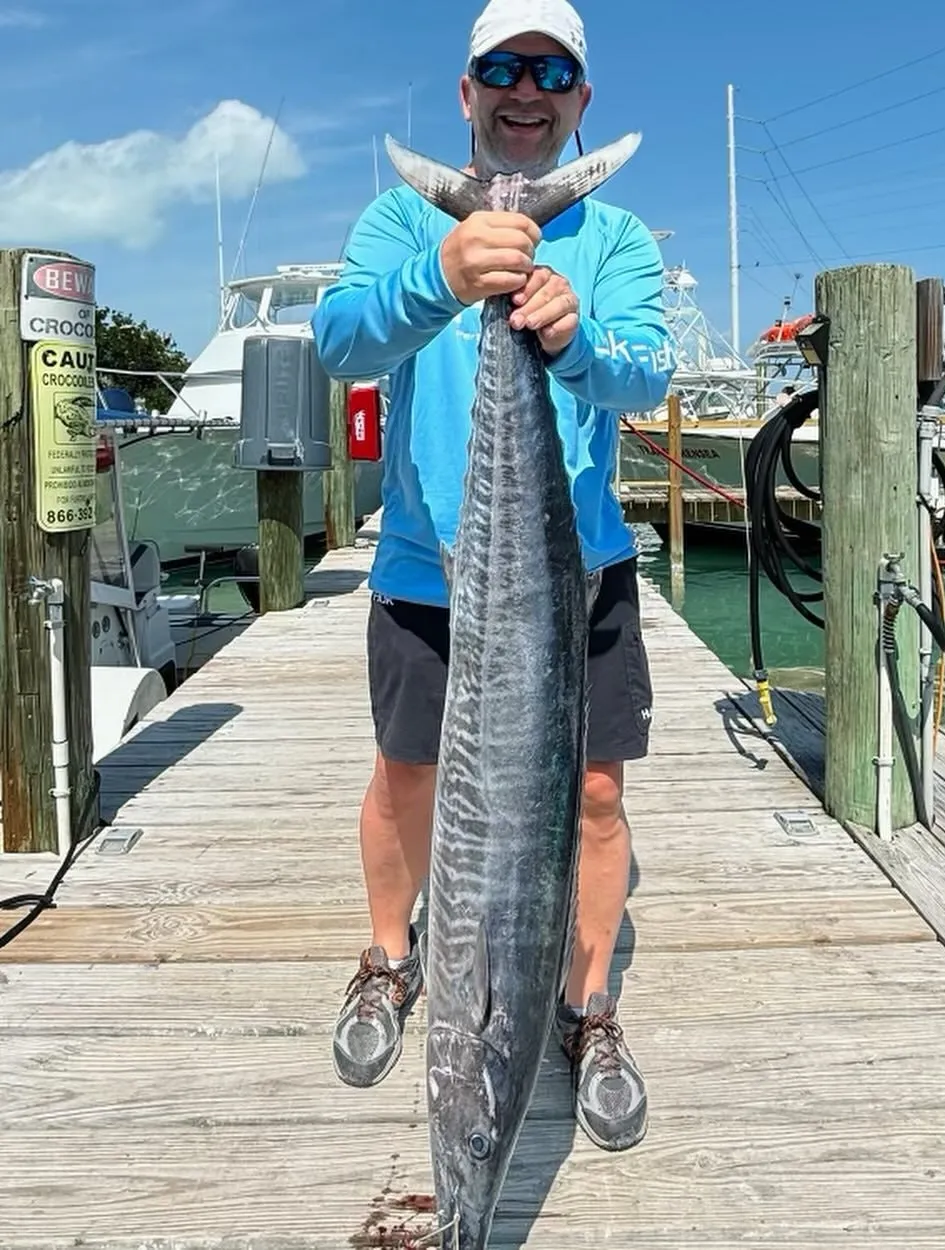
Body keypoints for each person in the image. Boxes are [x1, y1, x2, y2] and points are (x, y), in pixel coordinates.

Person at [312, 0, 676, 1153]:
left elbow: (648, 378)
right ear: (467, 92)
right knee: (405, 776)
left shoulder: (614, 240)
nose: (528, 88)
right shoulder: (398, 219)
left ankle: (585, 1007)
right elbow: (339, 341)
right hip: (427, 567)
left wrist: (577, 341)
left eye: (552, 72)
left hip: (581, 569)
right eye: (502, 69)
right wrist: (441, 272)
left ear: (580, 101)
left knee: (598, 793)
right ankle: (388, 956)